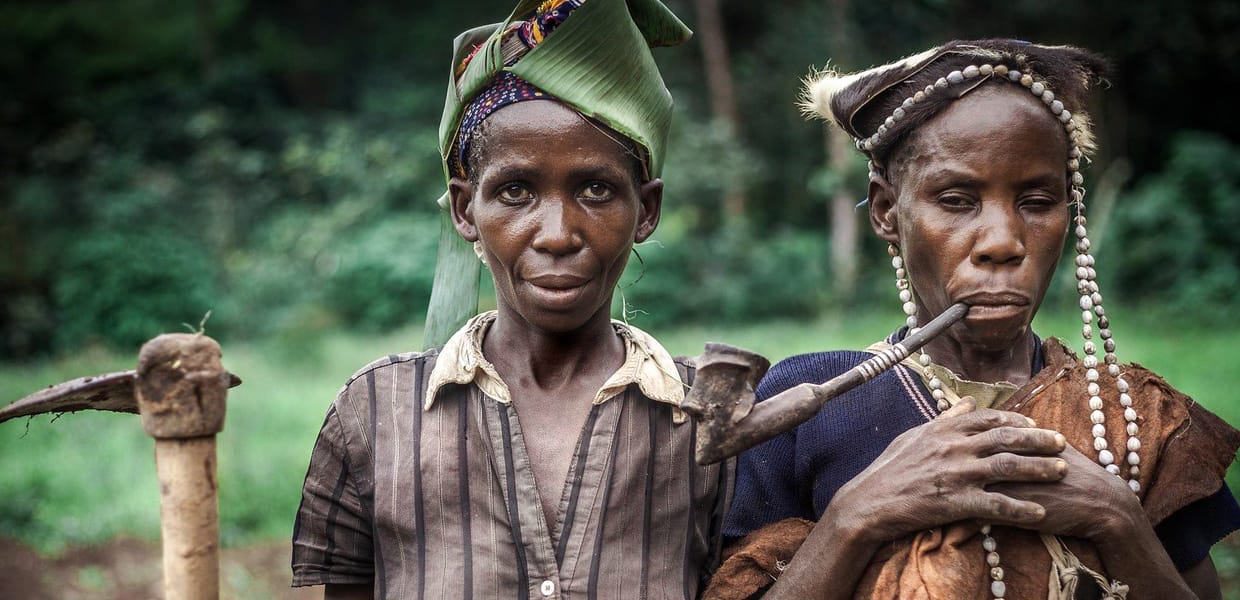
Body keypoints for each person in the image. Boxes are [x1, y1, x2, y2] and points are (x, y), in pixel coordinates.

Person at [709, 39, 1240, 599]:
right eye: (957, 200)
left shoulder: (1137, 419)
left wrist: (1115, 518)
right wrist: (855, 518)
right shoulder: (804, 403)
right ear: (888, 212)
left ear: (1069, 211)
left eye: (1037, 202)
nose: (1003, 243)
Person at [291, 1, 733, 598]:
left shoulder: (710, 424)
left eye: (596, 189)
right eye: (516, 191)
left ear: (646, 210)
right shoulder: (373, 415)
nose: (556, 234)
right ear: (465, 208)